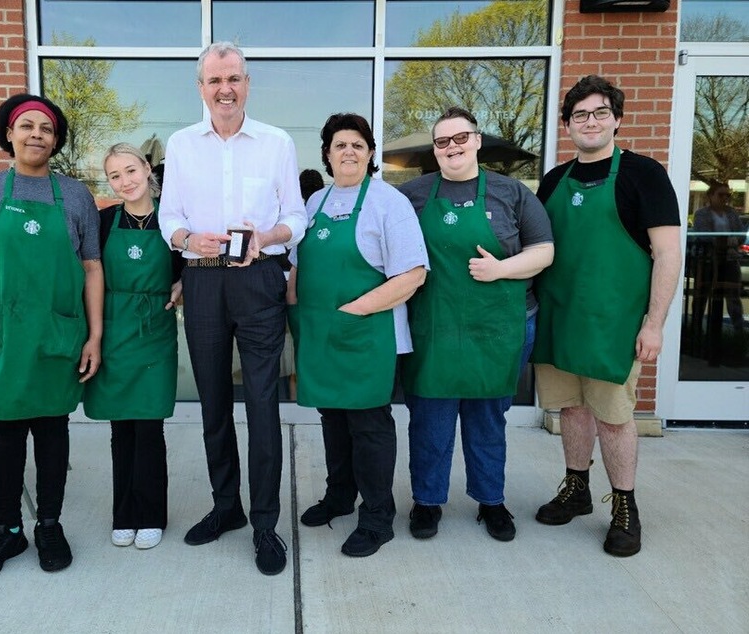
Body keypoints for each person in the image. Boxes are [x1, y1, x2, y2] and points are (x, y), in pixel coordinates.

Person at [159, 42, 307, 576]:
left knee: (263, 405)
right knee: (213, 403)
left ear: (248, 84)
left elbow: (296, 214)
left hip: (259, 279)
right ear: (201, 88)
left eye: (235, 79)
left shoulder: (276, 142)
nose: (225, 89)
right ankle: (228, 508)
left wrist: (268, 235)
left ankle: (266, 523)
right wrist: (185, 239)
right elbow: (168, 213)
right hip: (201, 282)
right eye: (215, 80)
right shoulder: (181, 144)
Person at [0, 93, 103, 580]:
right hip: (0, 333)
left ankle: (50, 525)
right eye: (28, 126)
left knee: (53, 432)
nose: (38, 134)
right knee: (7, 434)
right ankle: (6, 531)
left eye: (48, 129)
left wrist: (94, 334)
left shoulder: (76, 196)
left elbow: (92, 268)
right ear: (10, 134)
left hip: (57, 332)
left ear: (55, 141)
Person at [532, 75, 682, 557]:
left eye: (599, 113)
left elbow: (667, 254)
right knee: (571, 410)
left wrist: (654, 323)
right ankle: (576, 489)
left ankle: (625, 506)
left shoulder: (644, 174)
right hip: (560, 317)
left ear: (617, 119)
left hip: (614, 325)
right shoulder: (554, 180)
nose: (590, 122)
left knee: (615, 417)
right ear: (567, 125)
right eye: (580, 115)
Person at [398, 107, 554, 543]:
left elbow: (544, 250)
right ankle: (427, 502)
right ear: (435, 149)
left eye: (460, 138)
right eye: (443, 142)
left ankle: (491, 501)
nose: (453, 147)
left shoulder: (513, 194)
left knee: (487, 422)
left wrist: (502, 270)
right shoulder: (411, 194)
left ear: (477, 140)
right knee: (430, 421)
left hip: (495, 329)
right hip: (434, 326)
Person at [289, 113, 428, 557]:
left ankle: (377, 516)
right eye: (339, 145)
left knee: (369, 426)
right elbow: (296, 266)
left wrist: (352, 311)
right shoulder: (314, 203)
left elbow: (412, 274)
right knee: (333, 419)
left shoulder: (389, 202)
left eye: (357, 144)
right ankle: (339, 496)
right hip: (320, 333)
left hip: (366, 333)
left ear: (370, 154)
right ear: (327, 154)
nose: (348, 151)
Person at [83, 143, 183, 551]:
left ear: (146, 170)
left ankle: (152, 514)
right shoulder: (103, 222)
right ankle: (123, 514)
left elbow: (193, 265)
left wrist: (183, 284)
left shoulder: (173, 221)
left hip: (155, 330)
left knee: (149, 427)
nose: (125, 182)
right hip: (113, 328)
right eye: (114, 176)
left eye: (130, 171)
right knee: (120, 427)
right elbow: (88, 273)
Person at [692, 181, 745, 332]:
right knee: (702, 295)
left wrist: (731, 240)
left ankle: (739, 331)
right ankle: (694, 329)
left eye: (727, 195)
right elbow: (702, 234)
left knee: (733, 296)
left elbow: (740, 234)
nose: (724, 198)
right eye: (721, 195)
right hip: (708, 259)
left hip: (729, 259)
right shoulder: (702, 214)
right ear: (711, 195)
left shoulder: (732, 213)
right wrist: (726, 240)